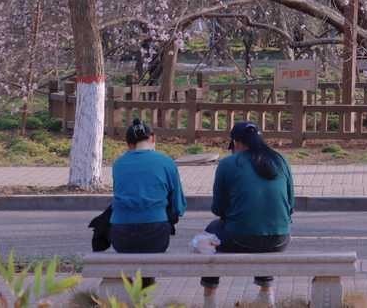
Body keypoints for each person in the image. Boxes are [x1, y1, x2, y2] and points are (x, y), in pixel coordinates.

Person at [201, 121, 294, 307]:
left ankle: (209, 297)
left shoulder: (228, 164)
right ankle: (266, 293)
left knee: (210, 233)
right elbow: (290, 206)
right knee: (262, 231)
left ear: (236, 143)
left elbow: (217, 209)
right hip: (281, 238)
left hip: (240, 238)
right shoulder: (280, 160)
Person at [109, 118, 186, 268]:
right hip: (155, 233)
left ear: (129, 144)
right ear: (153, 138)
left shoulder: (118, 164)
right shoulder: (166, 162)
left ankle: (134, 288)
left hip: (121, 235)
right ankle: (145, 288)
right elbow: (179, 205)